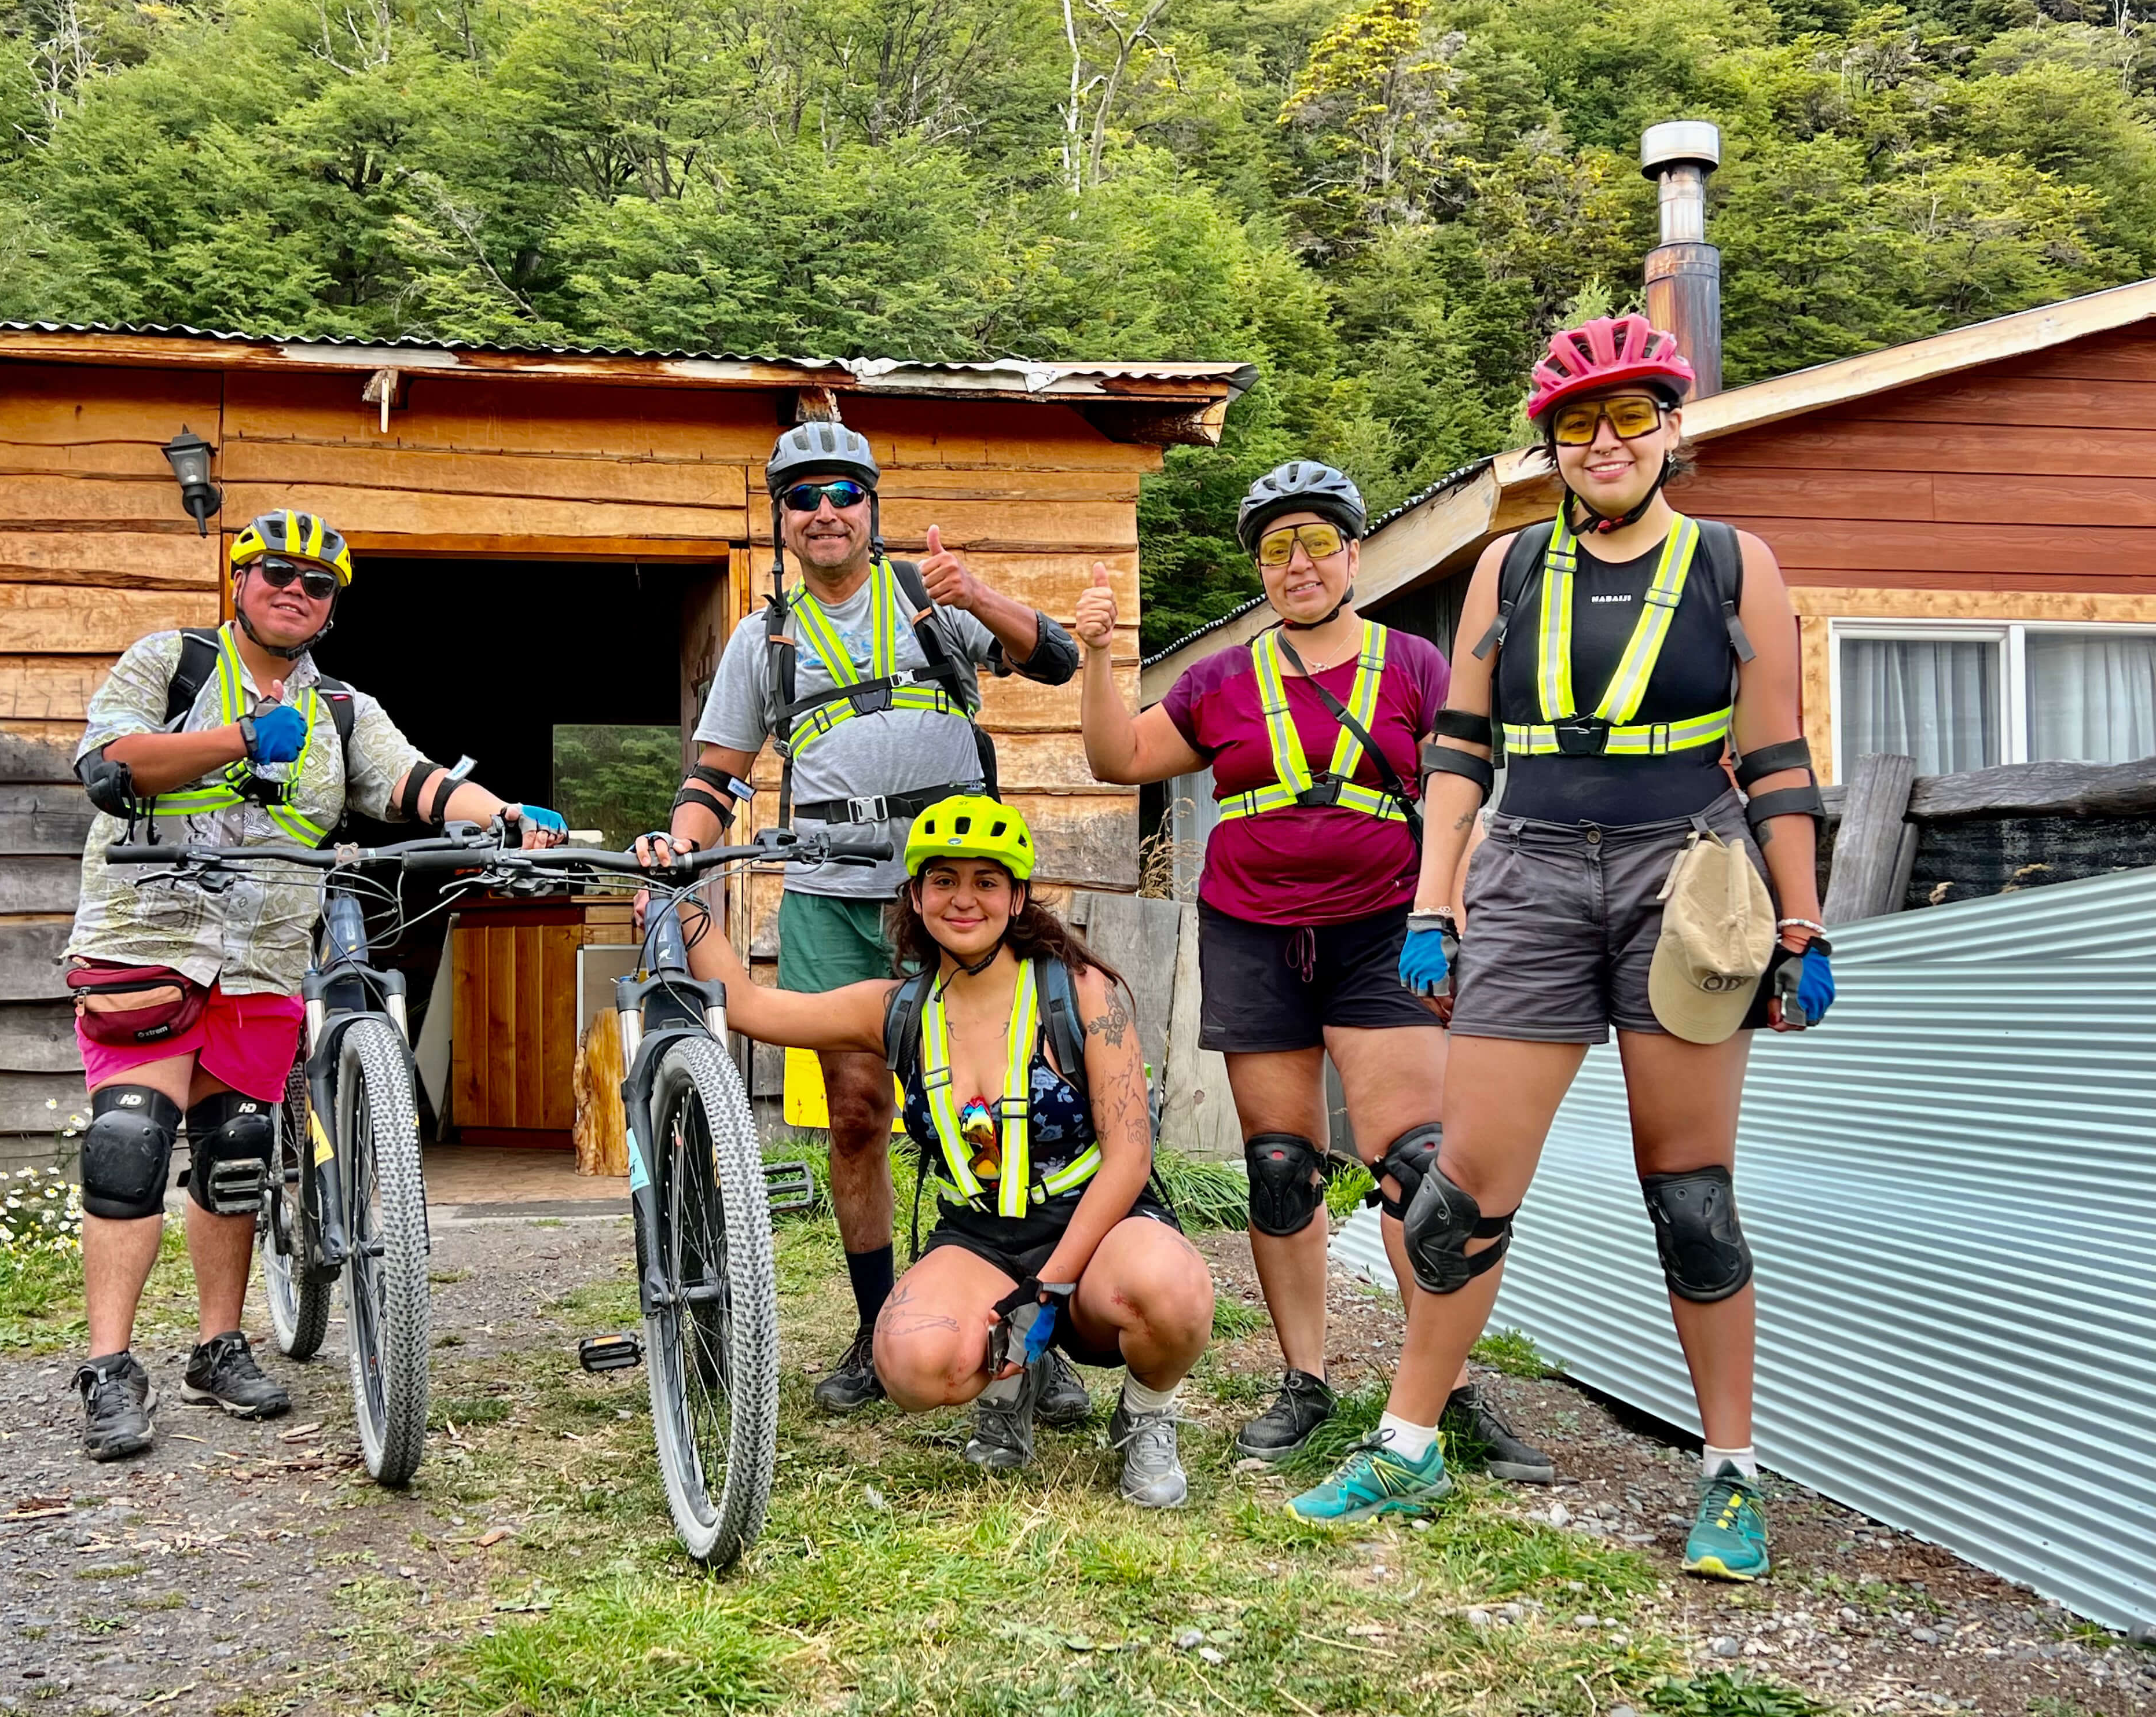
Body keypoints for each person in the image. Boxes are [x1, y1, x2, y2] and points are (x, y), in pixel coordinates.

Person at [1285, 315, 1835, 1583]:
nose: (1606, 442)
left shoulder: (1732, 564)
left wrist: (1800, 922)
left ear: (1670, 430)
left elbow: (1776, 759)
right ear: (1551, 443)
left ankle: (1730, 1479)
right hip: (1527, 873)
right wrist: (1434, 906)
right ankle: (1409, 1447)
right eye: (1580, 423)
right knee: (1463, 1191)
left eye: (1632, 416)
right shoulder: (1510, 569)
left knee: (1691, 1196)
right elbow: (1460, 752)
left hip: (1685, 880)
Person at [1077, 461, 1551, 1481]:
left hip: (1385, 928)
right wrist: (1096, 657)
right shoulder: (1219, 678)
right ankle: (1305, 1380)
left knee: (1420, 1167)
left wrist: (1451, 900)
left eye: (1316, 541)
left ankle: (1444, 1392)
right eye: (1276, 547)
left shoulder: (1414, 662)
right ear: (1260, 565)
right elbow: (1117, 758)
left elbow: (1465, 784)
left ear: (1350, 551)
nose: (1297, 563)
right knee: (1281, 1167)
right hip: (1251, 930)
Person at [62, 509, 566, 1462]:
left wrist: (499, 813)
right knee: (129, 1142)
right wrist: (239, 737)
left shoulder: (342, 708)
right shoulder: (168, 662)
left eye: (316, 584)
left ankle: (218, 1346)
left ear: (330, 608)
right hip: (146, 936)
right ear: (240, 581)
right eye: (277, 574)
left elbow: (410, 782)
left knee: (236, 1149)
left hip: (259, 951)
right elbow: (110, 767)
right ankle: (110, 1365)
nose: (295, 591)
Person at [642, 423, 1081, 1424]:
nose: (825, 510)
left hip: (956, 895)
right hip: (829, 898)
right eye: (803, 497)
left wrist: (978, 597)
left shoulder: (931, 599)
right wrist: (675, 843)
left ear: (871, 505)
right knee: (855, 1114)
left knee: (1014, 1103)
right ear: (782, 519)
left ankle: (1034, 1322)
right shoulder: (767, 638)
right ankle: (881, 1321)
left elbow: (1053, 659)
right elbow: (715, 776)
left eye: (844, 491)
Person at [669, 795, 1214, 1506]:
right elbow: (745, 1004)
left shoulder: (1083, 993)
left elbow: (1130, 1160)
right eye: (943, 881)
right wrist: (681, 886)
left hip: (1099, 1226)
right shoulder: (897, 1007)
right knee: (911, 1363)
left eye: (986, 882)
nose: (964, 900)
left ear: (1017, 897)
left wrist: (1047, 1288)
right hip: (982, 1234)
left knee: (1173, 1293)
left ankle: (1145, 1416)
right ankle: (1011, 1388)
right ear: (916, 897)